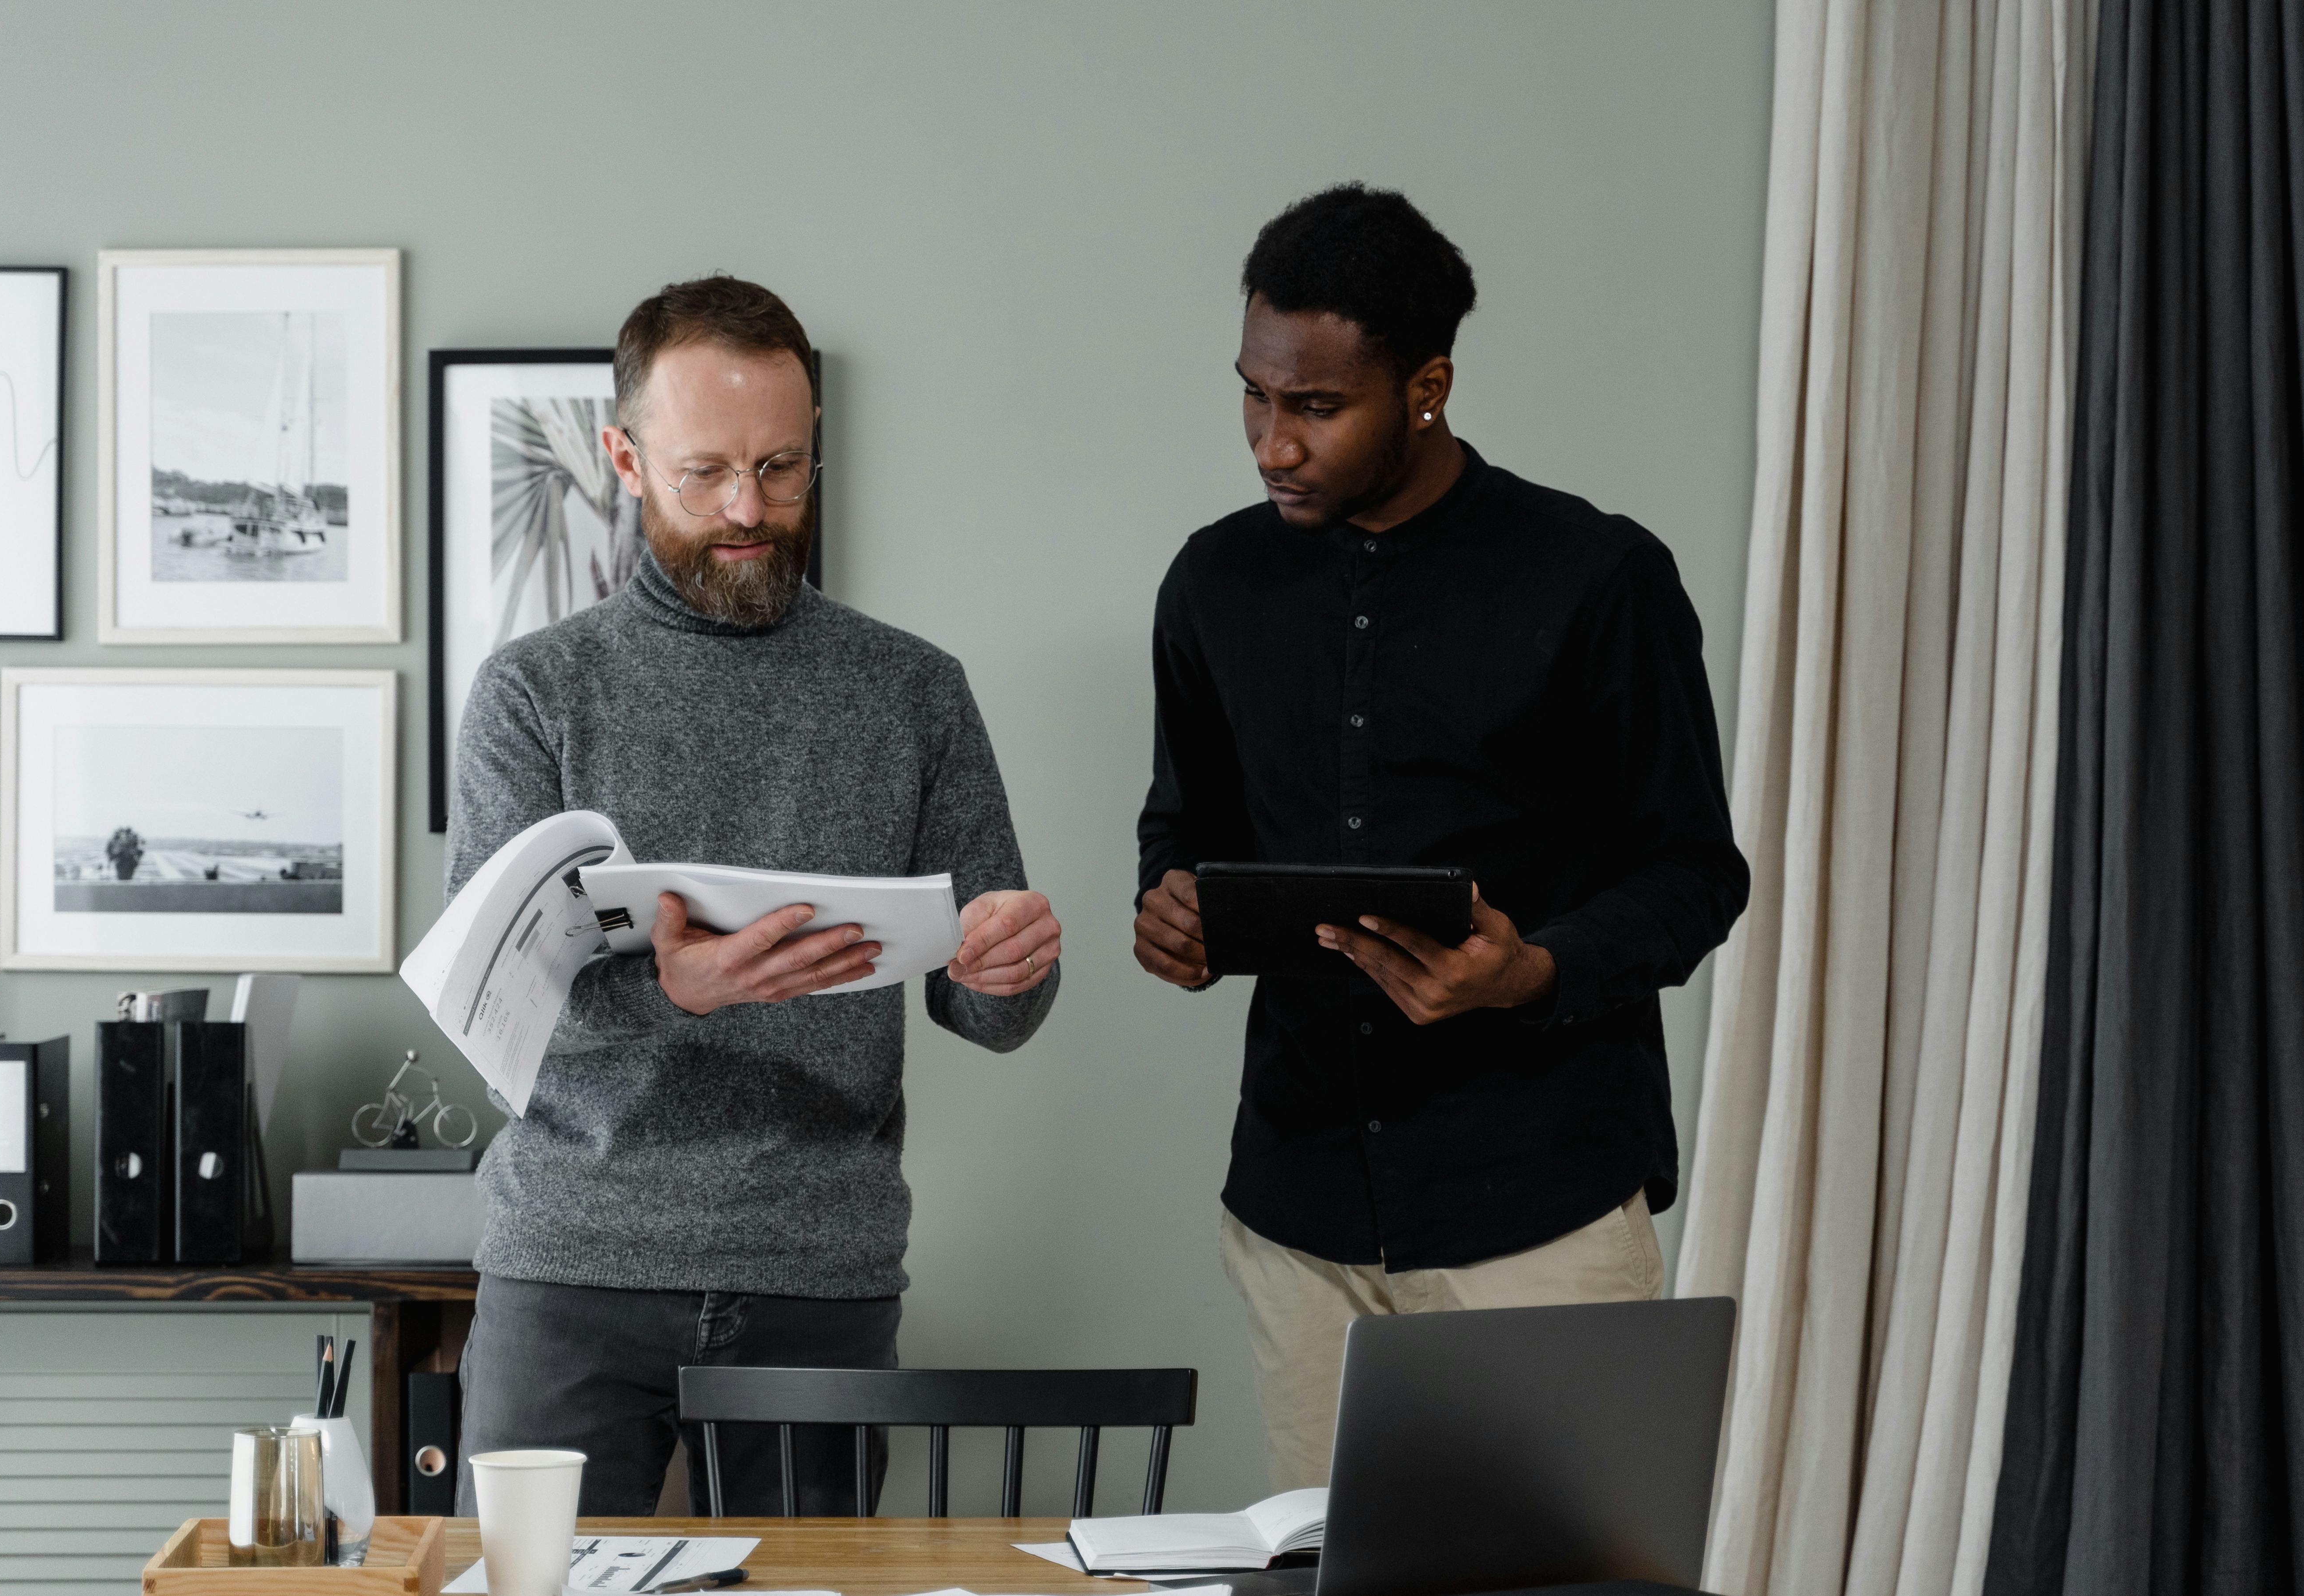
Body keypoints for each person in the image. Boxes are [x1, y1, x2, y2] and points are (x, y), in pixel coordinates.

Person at [1133, 185, 1749, 1490]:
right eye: (1253, 394)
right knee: (1323, 1580)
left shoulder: (1597, 577)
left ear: (1425, 387)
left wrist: (1530, 970)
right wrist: (1170, 909)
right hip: (1299, 1210)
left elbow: (1697, 872)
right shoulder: (1211, 584)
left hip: (1540, 1203)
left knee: (1566, 1585)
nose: (1270, 443)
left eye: (1314, 408)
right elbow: (1184, 826)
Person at [451, 274, 1063, 1515]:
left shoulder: (912, 690)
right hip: (571, 1267)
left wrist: (1012, 966)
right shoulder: (533, 692)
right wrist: (669, 993)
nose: (750, 510)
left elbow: (987, 1009)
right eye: (707, 472)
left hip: (817, 1275)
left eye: (783, 469)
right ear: (625, 456)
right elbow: (484, 1006)